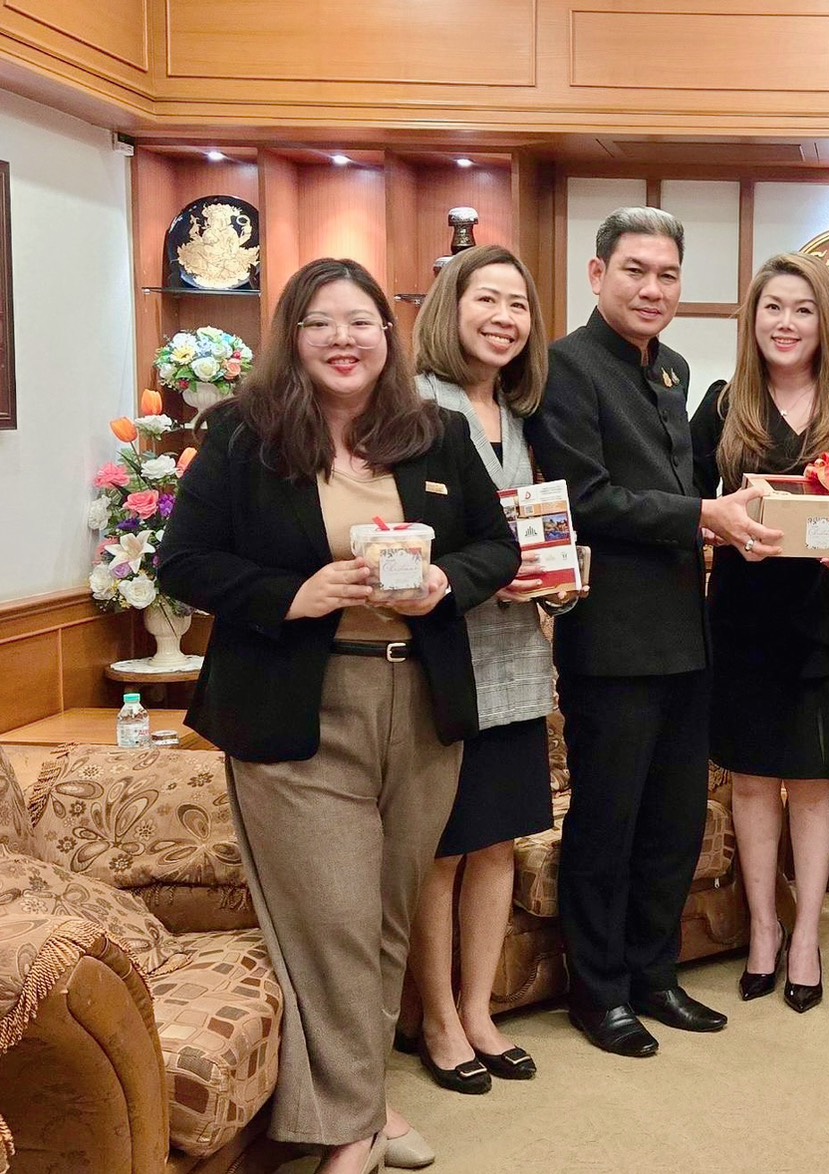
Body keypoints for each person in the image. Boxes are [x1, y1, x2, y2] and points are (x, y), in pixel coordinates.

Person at [159, 258, 520, 1172]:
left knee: (389, 916)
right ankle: (353, 1132)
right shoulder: (242, 433)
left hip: (421, 701)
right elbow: (184, 561)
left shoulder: (433, 432)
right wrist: (296, 593)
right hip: (297, 706)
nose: (343, 339)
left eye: (360, 321)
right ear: (293, 335)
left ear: (387, 336)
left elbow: (498, 546)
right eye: (320, 323)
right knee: (335, 920)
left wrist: (445, 581)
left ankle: (363, 1098)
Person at [525, 207, 778, 1057]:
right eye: (635, 270)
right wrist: (703, 514)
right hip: (610, 637)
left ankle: (653, 974)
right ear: (597, 275)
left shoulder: (672, 369)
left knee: (673, 821)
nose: (652, 288)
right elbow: (584, 499)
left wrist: (740, 509)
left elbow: (684, 486)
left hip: (683, 632)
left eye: (667, 274)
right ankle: (597, 992)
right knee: (609, 820)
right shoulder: (564, 366)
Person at [691, 253, 829, 1012]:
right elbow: (685, 504)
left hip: (824, 625)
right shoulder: (722, 405)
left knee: (812, 782)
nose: (786, 323)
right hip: (741, 622)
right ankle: (763, 928)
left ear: (826, 322)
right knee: (750, 781)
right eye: (773, 307)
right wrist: (719, 527)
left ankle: (806, 933)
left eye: (803, 309)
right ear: (753, 318)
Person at [401, 245, 554, 1095]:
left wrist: (560, 579)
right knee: (443, 848)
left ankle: (478, 1007)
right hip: (442, 656)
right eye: (486, 299)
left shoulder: (526, 418)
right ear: (450, 308)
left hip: (518, 656)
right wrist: (487, 573)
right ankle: (436, 1018)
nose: (503, 318)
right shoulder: (414, 408)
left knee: (497, 840)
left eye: (518, 305)